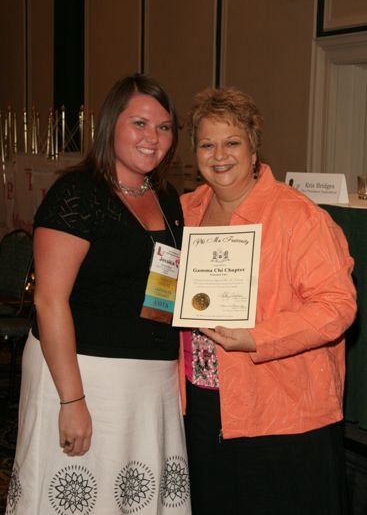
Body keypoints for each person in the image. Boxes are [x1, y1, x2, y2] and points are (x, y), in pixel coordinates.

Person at [6, 74, 191, 515]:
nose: (153, 138)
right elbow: (49, 301)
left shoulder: (166, 197)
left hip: (150, 381)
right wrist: (72, 402)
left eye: (164, 127)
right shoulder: (77, 194)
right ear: (111, 125)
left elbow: (164, 286)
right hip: (84, 375)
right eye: (140, 123)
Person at [180, 86, 357, 515]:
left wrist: (256, 337)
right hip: (200, 401)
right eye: (207, 143)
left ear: (254, 146)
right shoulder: (185, 210)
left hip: (279, 407)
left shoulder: (299, 216)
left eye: (232, 142)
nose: (219, 154)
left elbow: (336, 306)